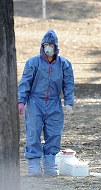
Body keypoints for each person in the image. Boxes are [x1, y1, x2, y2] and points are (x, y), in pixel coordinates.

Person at [18, 30, 74, 177]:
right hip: (35, 102)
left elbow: (68, 84)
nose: (48, 47)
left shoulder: (64, 64)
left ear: (56, 47)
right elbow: (25, 83)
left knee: (54, 134)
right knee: (33, 132)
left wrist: (69, 102)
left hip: (54, 102)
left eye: (51, 45)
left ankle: (50, 165)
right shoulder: (33, 63)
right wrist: (21, 101)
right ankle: (34, 165)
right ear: (42, 46)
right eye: (46, 45)